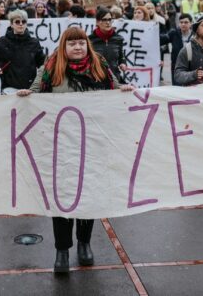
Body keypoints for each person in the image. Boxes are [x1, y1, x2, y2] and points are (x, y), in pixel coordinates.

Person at [16, 27, 134, 273]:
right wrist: (29, 94)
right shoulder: (52, 65)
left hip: (92, 144)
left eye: (81, 43)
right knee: (62, 199)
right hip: (60, 147)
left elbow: (114, 86)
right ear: (64, 46)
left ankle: (84, 243)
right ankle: (62, 250)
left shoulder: (98, 64)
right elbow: (37, 88)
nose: (78, 47)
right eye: (72, 44)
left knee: (87, 195)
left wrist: (122, 89)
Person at [0, 10, 45, 93]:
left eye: (23, 21)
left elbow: (42, 64)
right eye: (17, 22)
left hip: (29, 89)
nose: (21, 24)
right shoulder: (2, 42)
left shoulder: (34, 42)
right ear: (11, 24)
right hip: (8, 89)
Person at [88, 7, 128, 83]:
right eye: (104, 20)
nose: (108, 22)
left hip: (115, 79)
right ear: (97, 22)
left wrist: (123, 63)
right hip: (97, 80)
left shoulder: (118, 39)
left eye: (110, 19)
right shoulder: (89, 40)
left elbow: (121, 56)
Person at [161, 13, 193, 85]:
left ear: (191, 23)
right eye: (181, 22)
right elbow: (161, 40)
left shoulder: (195, 35)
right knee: (177, 89)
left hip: (191, 67)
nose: (183, 24)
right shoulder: (174, 33)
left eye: (186, 22)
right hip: (177, 66)